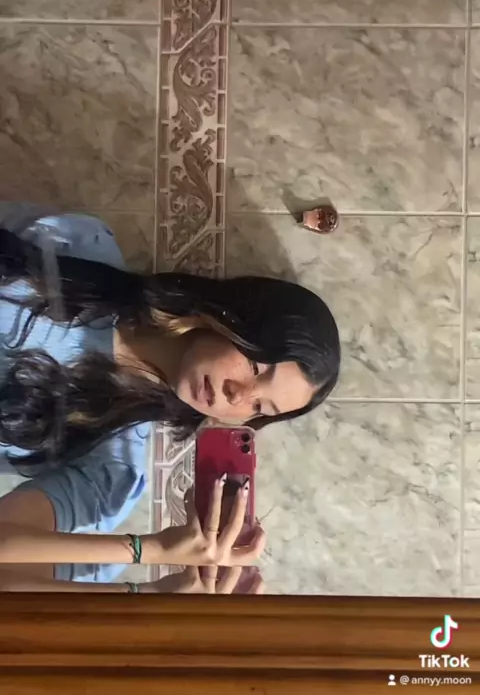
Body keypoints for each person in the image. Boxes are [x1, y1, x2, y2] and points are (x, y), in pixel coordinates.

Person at [0, 204, 340, 594]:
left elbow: (9, 576)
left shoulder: (114, 468)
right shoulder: (83, 246)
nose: (238, 396)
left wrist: (151, 567)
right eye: (257, 367)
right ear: (238, 318)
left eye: (259, 408)